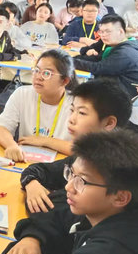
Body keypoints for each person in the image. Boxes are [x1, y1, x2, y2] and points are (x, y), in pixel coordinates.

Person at [0, 131, 138, 254]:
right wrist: (33, 238)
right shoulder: (106, 209)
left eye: (81, 181)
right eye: (71, 174)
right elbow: (59, 212)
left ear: (120, 197)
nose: (69, 186)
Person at [20, 79, 131, 214]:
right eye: (72, 110)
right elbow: (36, 170)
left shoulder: (110, 169)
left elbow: (51, 210)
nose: (71, 119)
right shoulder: (86, 155)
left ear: (109, 123)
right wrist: (31, 183)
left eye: (82, 113)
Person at [0, 49, 76, 161]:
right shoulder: (22, 93)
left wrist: (45, 141)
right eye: (36, 70)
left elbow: (84, 149)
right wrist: (11, 145)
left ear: (65, 81)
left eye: (47, 73)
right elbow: (1, 128)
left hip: (60, 164)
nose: (38, 77)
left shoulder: (77, 104)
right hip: (25, 160)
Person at [73, 14, 138, 96]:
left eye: (107, 31)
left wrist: (70, 62)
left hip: (121, 95)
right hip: (112, 87)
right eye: (101, 32)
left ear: (120, 32)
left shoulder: (125, 52)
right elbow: (98, 59)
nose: (103, 35)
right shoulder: (116, 46)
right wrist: (73, 59)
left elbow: (98, 68)